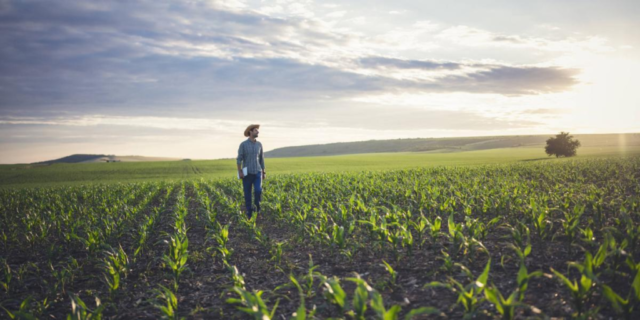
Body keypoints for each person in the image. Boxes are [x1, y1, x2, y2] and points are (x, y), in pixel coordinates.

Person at [237, 124, 266, 219]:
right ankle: (249, 213)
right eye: (256, 130)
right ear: (250, 132)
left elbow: (261, 159)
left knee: (258, 190)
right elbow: (239, 159)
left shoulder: (259, 144)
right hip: (247, 173)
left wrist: (263, 172)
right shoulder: (243, 144)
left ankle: (258, 211)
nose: (258, 132)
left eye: (257, 131)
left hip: (257, 172)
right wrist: (240, 171)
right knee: (247, 194)